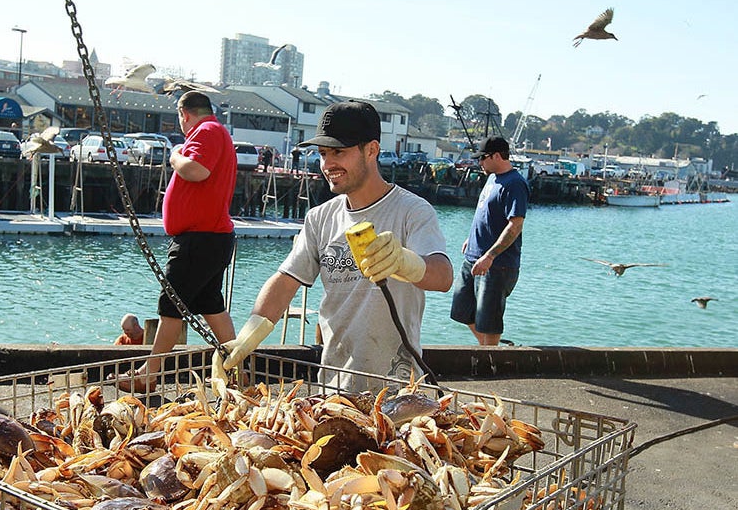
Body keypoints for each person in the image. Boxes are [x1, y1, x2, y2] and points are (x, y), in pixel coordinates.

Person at [215, 100, 454, 392]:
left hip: (398, 388)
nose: (328, 164)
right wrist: (248, 335)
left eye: (339, 152)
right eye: (323, 153)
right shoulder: (319, 218)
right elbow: (285, 281)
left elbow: (443, 277)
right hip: (333, 386)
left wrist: (405, 262)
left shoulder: (412, 211)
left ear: (372, 150)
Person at [118, 90, 237, 390]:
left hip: (199, 238)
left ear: (184, 114)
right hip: (211, 237)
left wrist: (175, 155)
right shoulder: (216, 132)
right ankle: (239, 370)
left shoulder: (206, 130)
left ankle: (149, 375)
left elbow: (196, 170)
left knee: (170, 305)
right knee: (211, 305)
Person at [450, 136, 529, 346]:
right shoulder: (492, 178)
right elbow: (486, 214)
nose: (480, 163)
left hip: (497, 265)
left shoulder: (515, 184)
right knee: (461, 310)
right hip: (473, 256)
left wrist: (490, 256)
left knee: (489, 322)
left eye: (483, 158)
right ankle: (489, 347)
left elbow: (515, 225)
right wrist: (471, 237)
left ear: (496, 156)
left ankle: (491, 356)